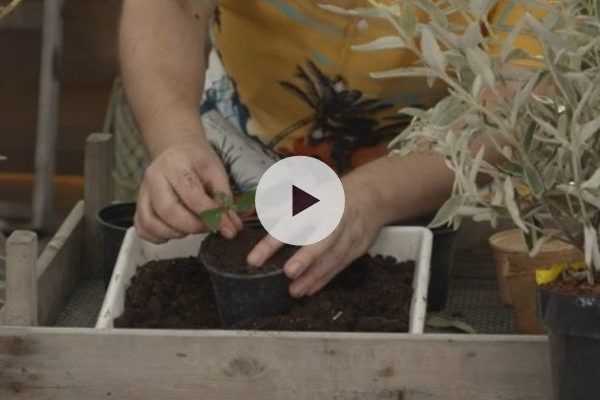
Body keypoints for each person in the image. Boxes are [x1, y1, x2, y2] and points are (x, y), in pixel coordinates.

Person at [119, 0, 542, 298]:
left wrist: (375, 194)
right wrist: (176, 140)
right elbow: (169, 8)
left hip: (445, 177)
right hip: (237, 147)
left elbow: (519, 101)